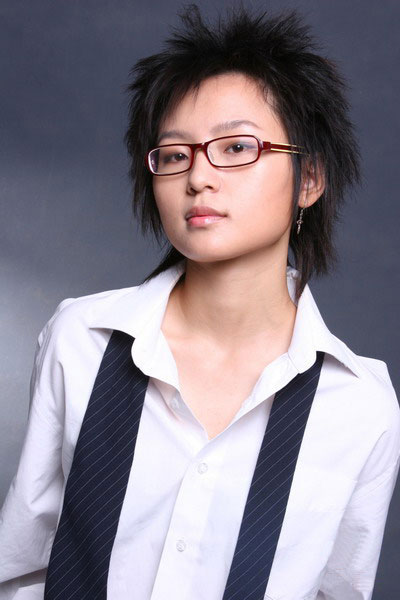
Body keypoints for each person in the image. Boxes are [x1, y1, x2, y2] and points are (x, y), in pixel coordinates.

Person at [1, 5, 399, 600]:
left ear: (310, 180)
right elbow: (23, 564)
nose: (199, 177)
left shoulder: (360, 405)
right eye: (175, 154)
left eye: (237, 147)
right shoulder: (81, 339)